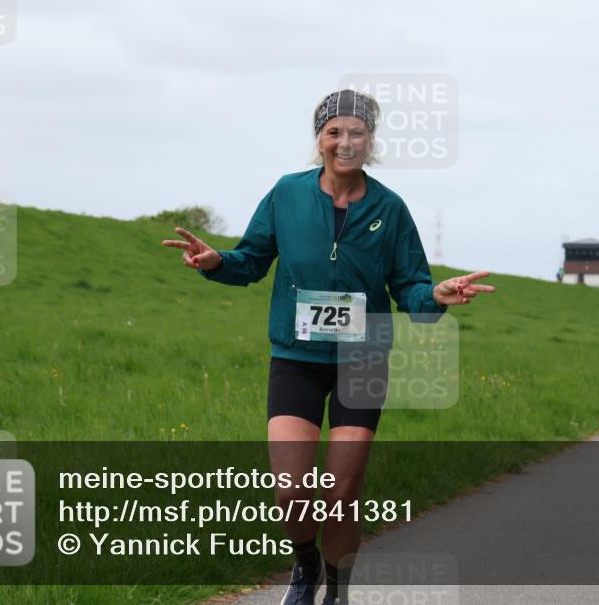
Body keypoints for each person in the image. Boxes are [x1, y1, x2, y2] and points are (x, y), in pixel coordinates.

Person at [163, 89, 495, 605]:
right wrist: (216, 262)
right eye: (334, 131)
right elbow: (251, 259)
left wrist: (437, 294)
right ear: (319, 138)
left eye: (357, 132)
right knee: (291, 492)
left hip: (364, 357)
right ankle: (306, 565)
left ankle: (338, 590)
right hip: (297, 357)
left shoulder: (390, 208)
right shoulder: (286, 194)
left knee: (341, 493)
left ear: (371, 140)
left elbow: (411, 289)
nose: (345, 142)